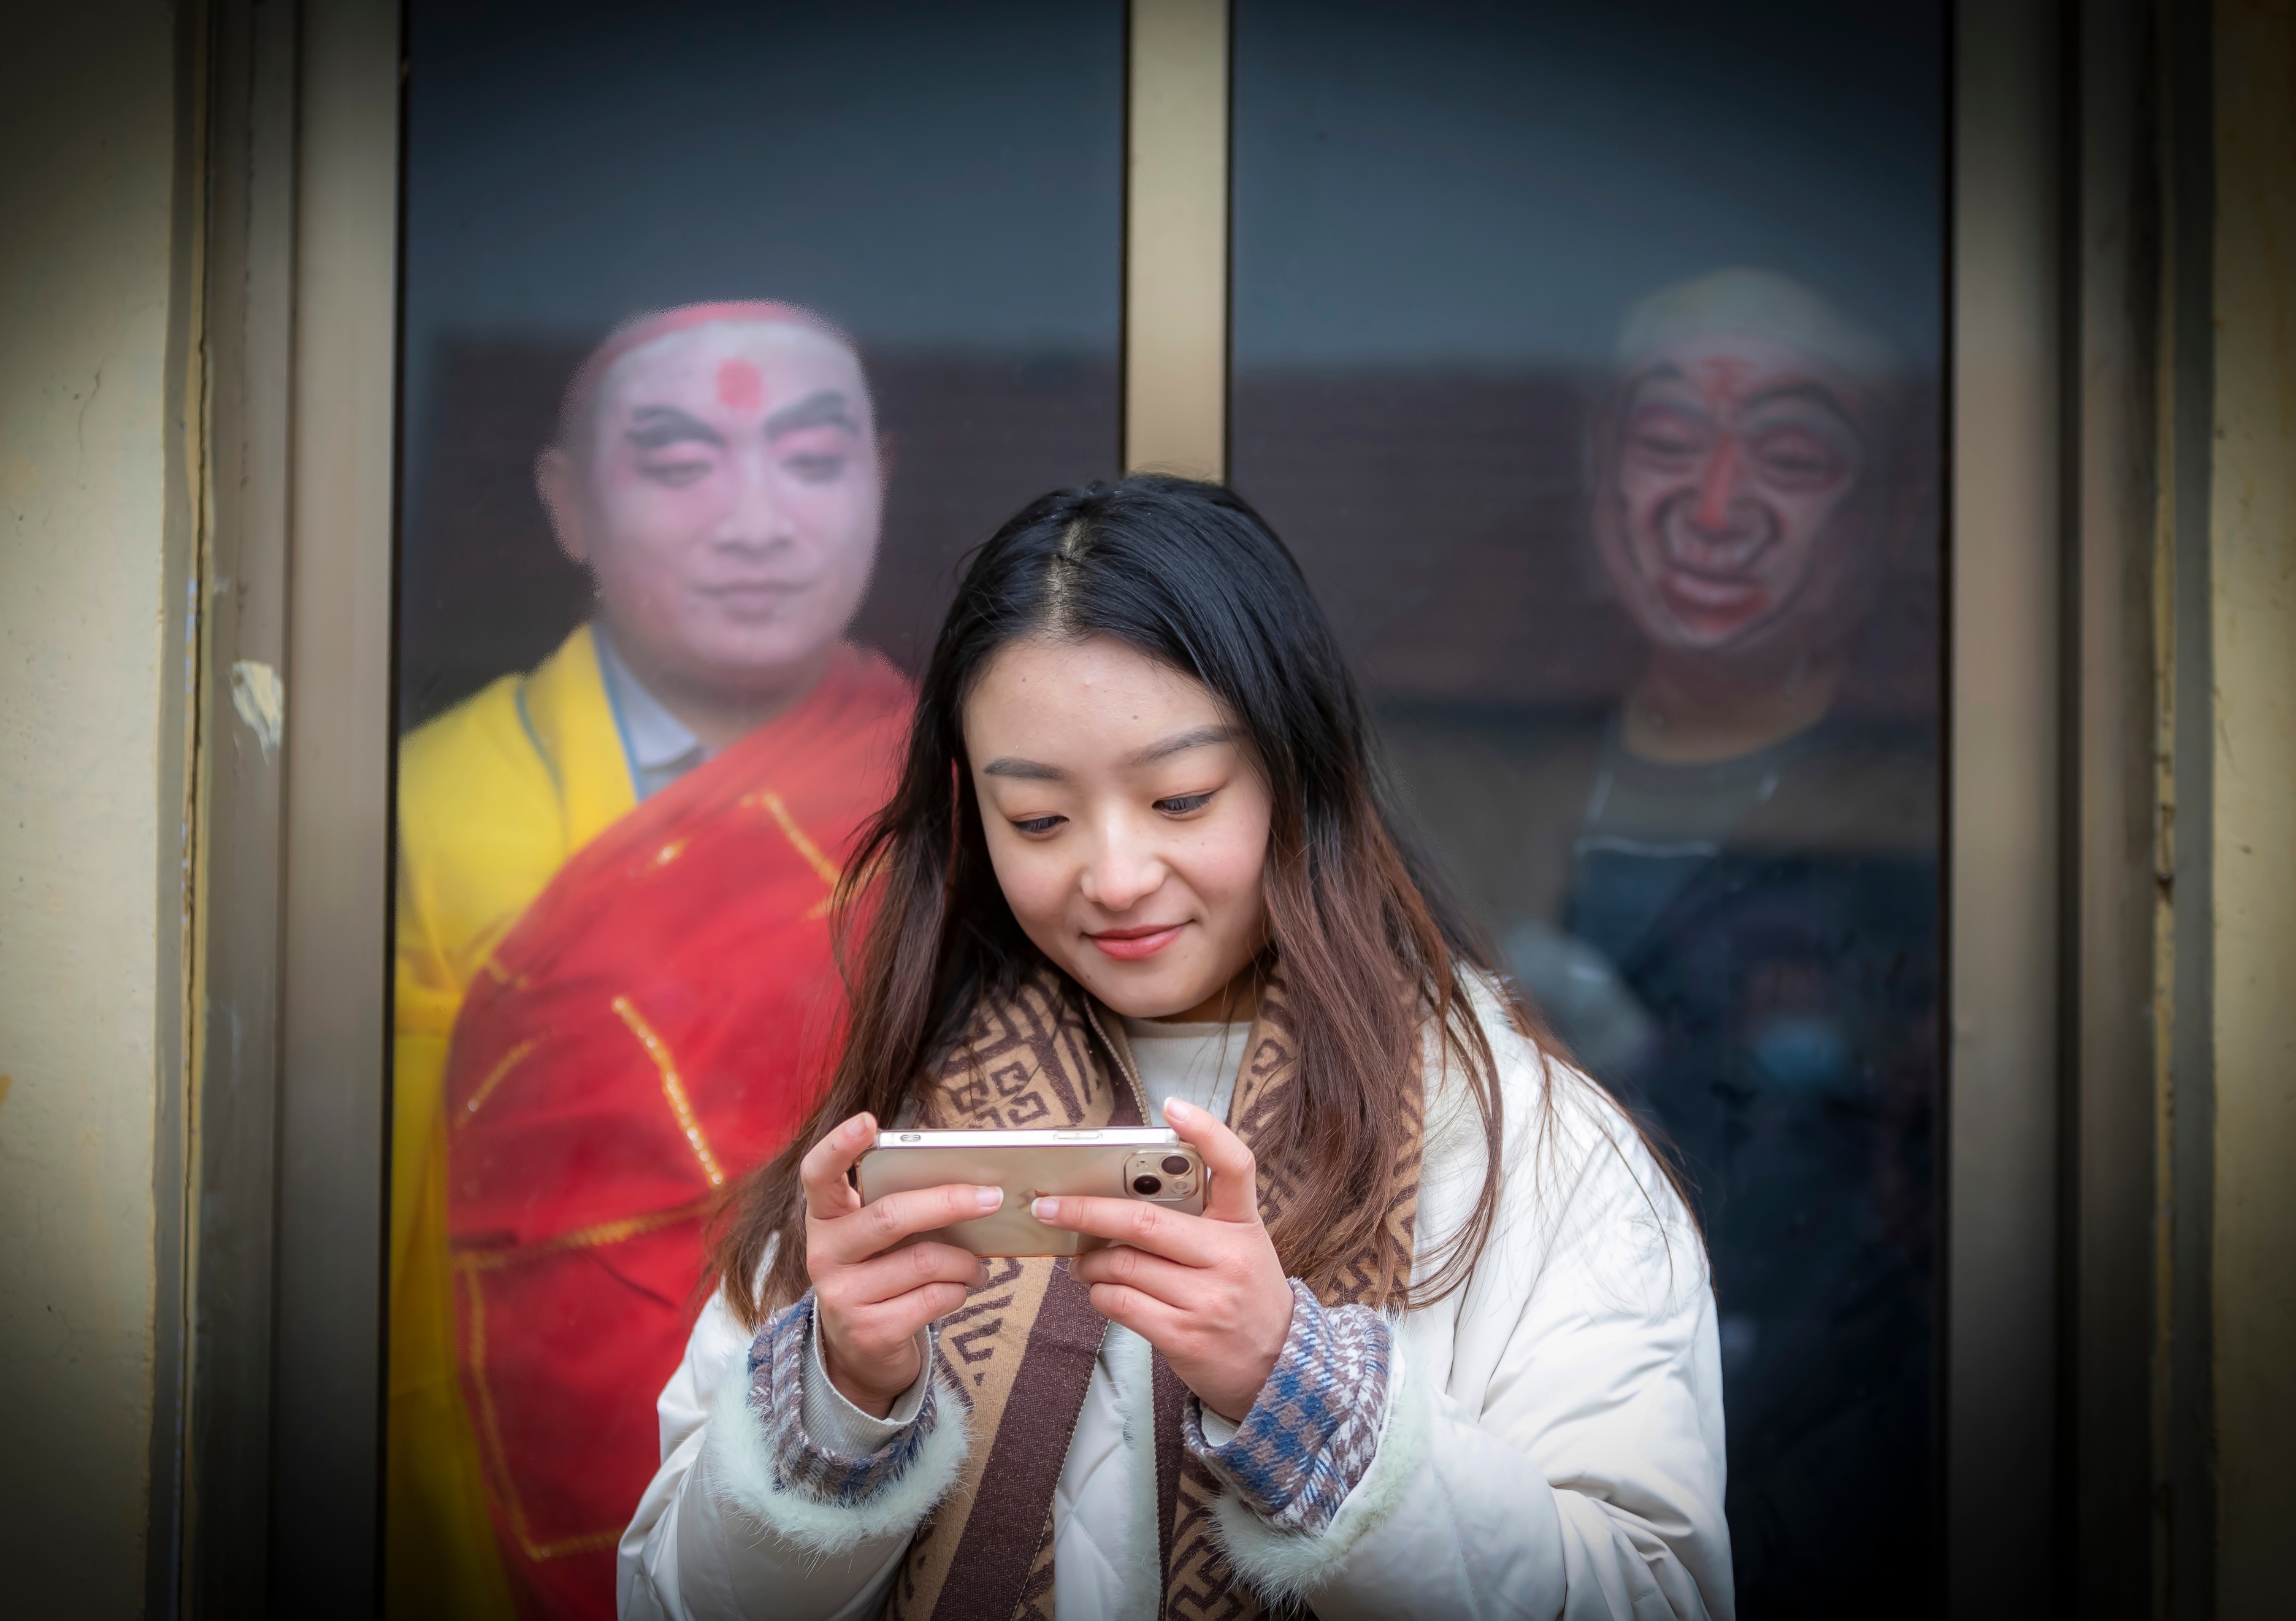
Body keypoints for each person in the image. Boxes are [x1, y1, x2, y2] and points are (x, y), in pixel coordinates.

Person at [618, 476, 1731, 1620]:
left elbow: (1658, 1593)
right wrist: (840, 1399)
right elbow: (663, 1600)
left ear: (1296, 770)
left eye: (1182, 799)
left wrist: (1292, 1389)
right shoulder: (899, 1142)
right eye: (1038, 820)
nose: (1113, 878)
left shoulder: (1512, 1131)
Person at [388, 301, 916, 1619]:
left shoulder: (966, 803)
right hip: (491, 1486)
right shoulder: (421, 816)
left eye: (812, 459)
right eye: (680, 463)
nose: (756, 523)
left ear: (880, 481)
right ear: (569, 505)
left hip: (876, 1453)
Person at [1478, 269, 1936, 1615]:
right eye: (1669, 443)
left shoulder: (1933, 815)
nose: (1718, 506)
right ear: (1596, 488)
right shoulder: (1482, 784)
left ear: (1887, 516)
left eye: (1790, 457)